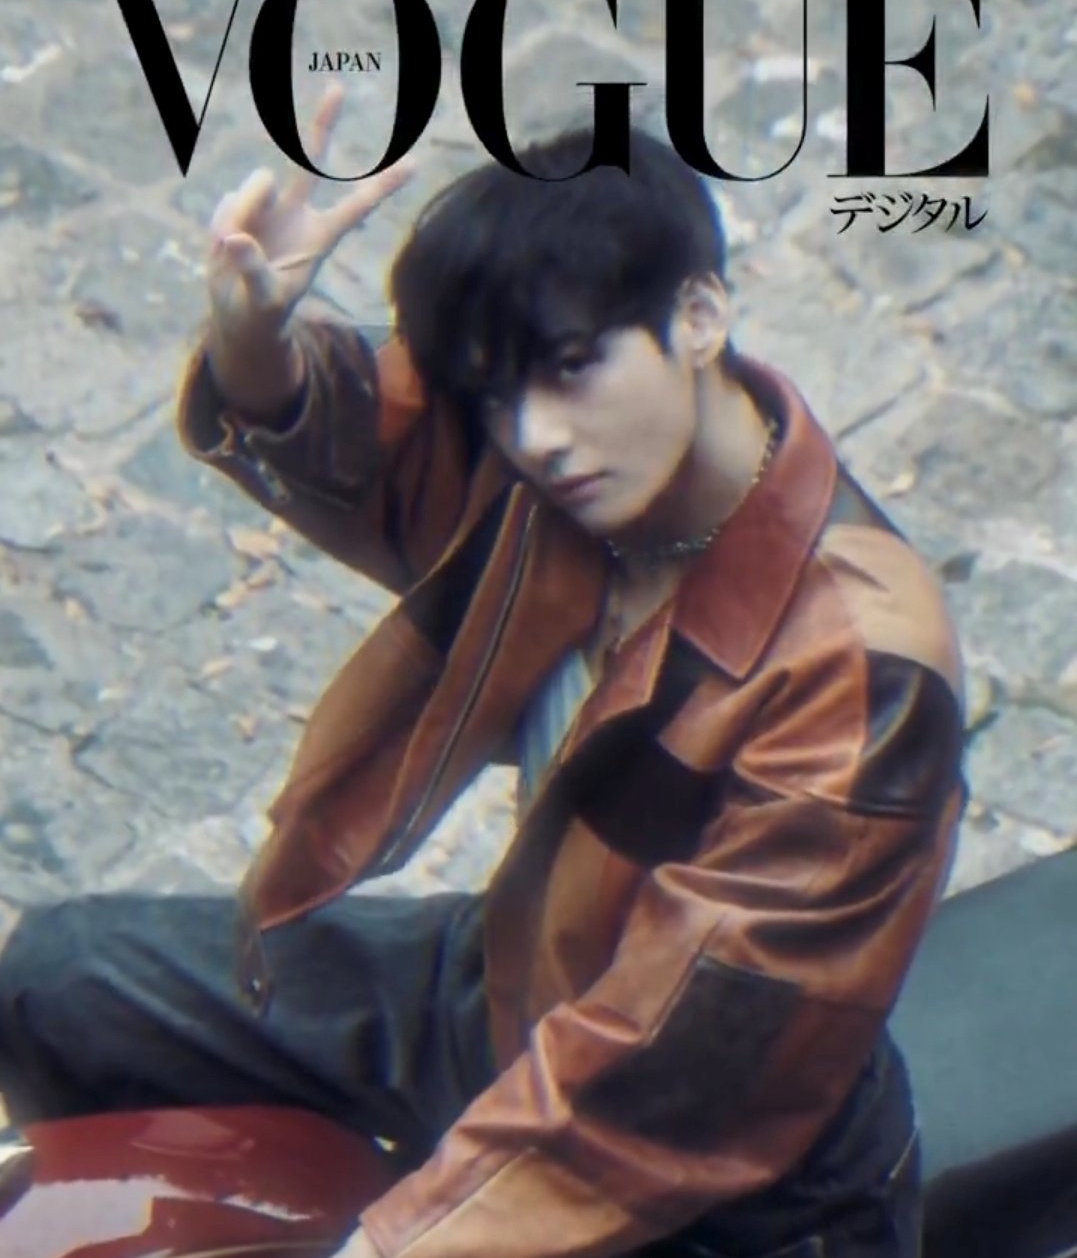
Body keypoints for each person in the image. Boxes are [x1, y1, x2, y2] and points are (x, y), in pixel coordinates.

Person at [0, 115, 964, 1258]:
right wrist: (254, 338)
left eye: (572, 367)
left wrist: (390, 1245)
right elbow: (380, 430)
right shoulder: (570, 469)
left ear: (701, 314)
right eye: (501, 397)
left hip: (724, 1174)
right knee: (62, 983)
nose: (536, 435)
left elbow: (671, 1077)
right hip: (512, 984)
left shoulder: (864, 662)